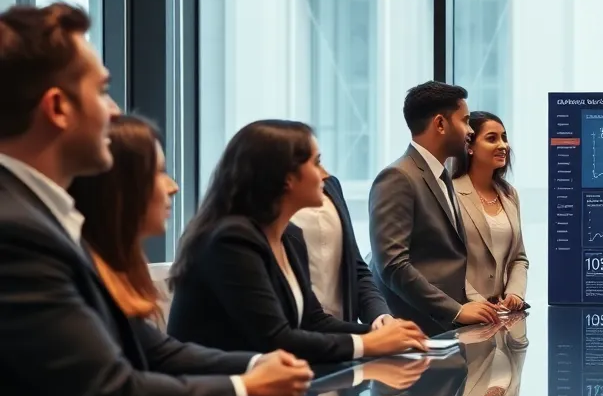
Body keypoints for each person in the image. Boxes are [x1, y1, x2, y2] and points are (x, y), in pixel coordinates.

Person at [0, 2, 310, 396]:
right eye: (102, 91)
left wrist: (253, 367)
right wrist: (245, 388)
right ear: (58, 108)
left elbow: (153, 351)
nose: (114, 110)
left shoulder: (38, 218)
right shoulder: (17, 232)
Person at [68, 114, 314, 396]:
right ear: (120, 187)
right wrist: (245, 386)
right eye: (158, 172)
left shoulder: (109, 268)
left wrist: (257, 363)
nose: (172, 186)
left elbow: (161, 353)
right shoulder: (79, 265)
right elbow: (120, 391)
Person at [169, 120, 427, 363]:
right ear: (287, 179)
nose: (325, 174)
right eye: (316, 163)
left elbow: (314, 322)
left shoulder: (288, 238)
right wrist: (369, 344)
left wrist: (383, 332)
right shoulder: (230, 240)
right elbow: (275, 339)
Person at [369, 81, 503, 333]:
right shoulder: (397, 177)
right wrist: (456, 310)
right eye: (464, 121)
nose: (470, 131)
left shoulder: (442, 176)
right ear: (440, 124)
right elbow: (393, 265)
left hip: (445, 331)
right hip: (416, 333)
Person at [290, 168, 396, 328]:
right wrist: (367, 337)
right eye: (315, 162)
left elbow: (356, 268)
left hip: (345, 337)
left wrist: (380, 316)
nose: (325, 172)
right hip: (296, 338)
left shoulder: (331, 186)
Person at [450, 111, 528, 310]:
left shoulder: (510, 194)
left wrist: (514, 294)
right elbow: (447, 263)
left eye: (504, 138)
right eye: (492, 139)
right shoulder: (450, 193)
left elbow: (518, 258)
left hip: (502, 315)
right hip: (464, 310)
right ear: (469, 147)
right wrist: (478, 302)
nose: (503, 146)